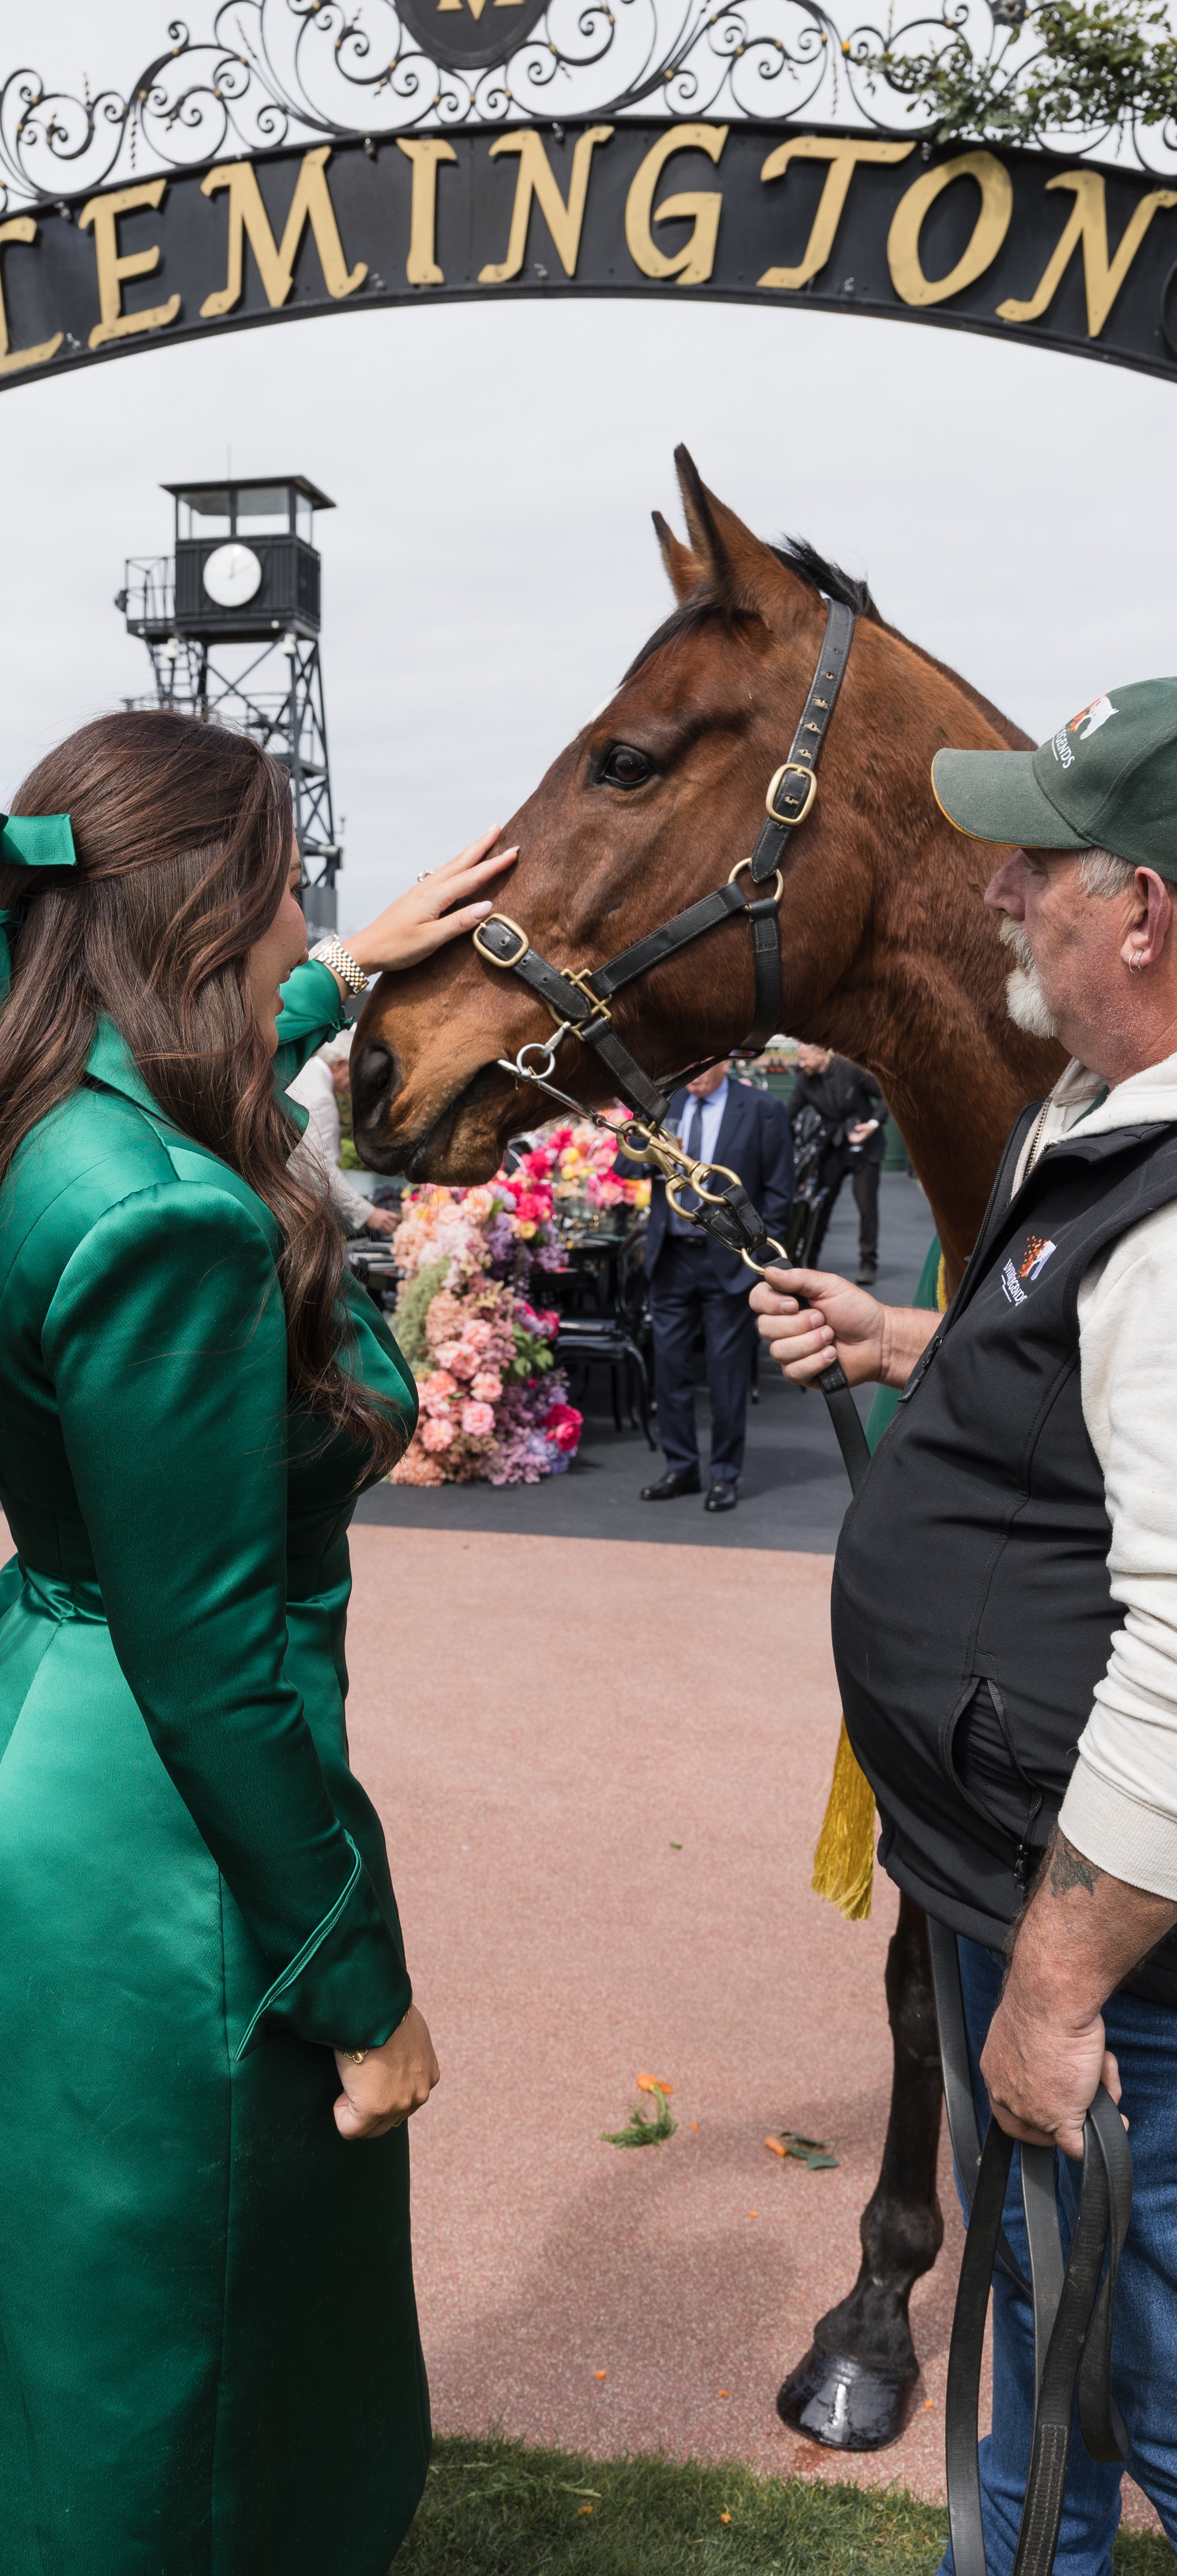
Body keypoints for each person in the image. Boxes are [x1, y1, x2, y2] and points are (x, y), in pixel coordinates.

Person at [0, 715, 514, 2576]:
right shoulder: (173, 1221)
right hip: (144, 1848)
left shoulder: (24, 1120)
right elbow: (214, 1667)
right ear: (207, 908)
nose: (306, 917)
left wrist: (344, 979)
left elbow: (174, 1067)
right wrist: (366, 1990)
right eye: (287, 890)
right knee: (167, 2361)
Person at [753, 678, 1177, 2573]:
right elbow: (1097, 1400)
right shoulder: (1094, 1124)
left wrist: (1063, 1984)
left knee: (1138, 2361)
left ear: (1146, 914)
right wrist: (920, 1340)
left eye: (1039, 863)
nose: (999, 896)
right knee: (1047, 2334)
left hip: (1100, 1932)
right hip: (1011, 1856)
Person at [638, 1059, 794, 1513]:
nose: (694, 1075)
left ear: (725, 1060)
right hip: (670, 1257)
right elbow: (627, 1171)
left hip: (729, 1263)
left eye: (703, 1066)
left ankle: (725, 1474)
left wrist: (759, 1259)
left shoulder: (763, 1109)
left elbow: (781, 1193)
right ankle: (681, 1466)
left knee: (727, 1375)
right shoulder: (663, 1109)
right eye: (685, 1068)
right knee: (669, 1368)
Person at [787, 1041, 887, 1282]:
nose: (800, 1065)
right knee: (821, 1205)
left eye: (804, 1059)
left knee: (866, 1206)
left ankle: (868, 1263)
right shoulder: (806, 1080)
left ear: (821, 1052)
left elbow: (887, 1095)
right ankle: (810, 1260)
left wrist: (873, 1125)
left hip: (866, 1147)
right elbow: (788, 1114)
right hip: (833, 1149)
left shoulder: (851, 1068)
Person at [284, 1030, 397, 1235]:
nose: (360, 1084)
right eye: (359, 1074)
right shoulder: (321, 1098)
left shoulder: (303, 1072)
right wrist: (369, 1214)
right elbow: (322, 1170)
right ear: (339, 1064)